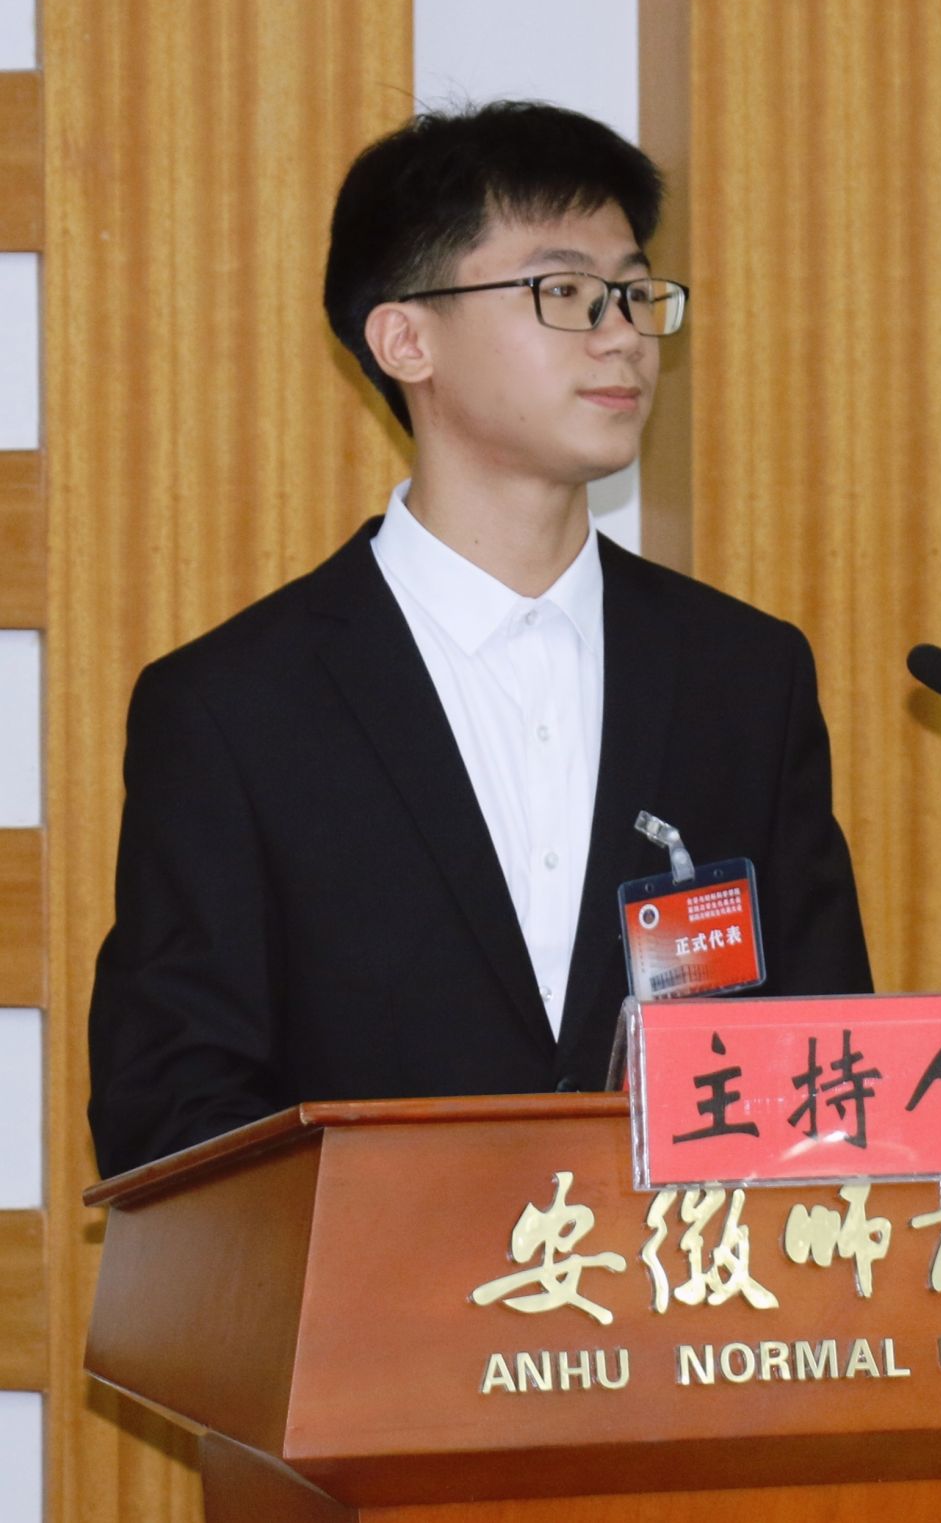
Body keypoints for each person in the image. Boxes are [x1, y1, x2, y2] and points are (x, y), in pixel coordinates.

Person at [88, 101, 873, 1179]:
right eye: (564, 292)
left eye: (634, 292)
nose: (621, 334)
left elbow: (825, 1050)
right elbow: (175, 1106)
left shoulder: (743, 676)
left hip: (684, 1284)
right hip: (378, 1286)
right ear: (405, 340)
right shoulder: (235, 708)